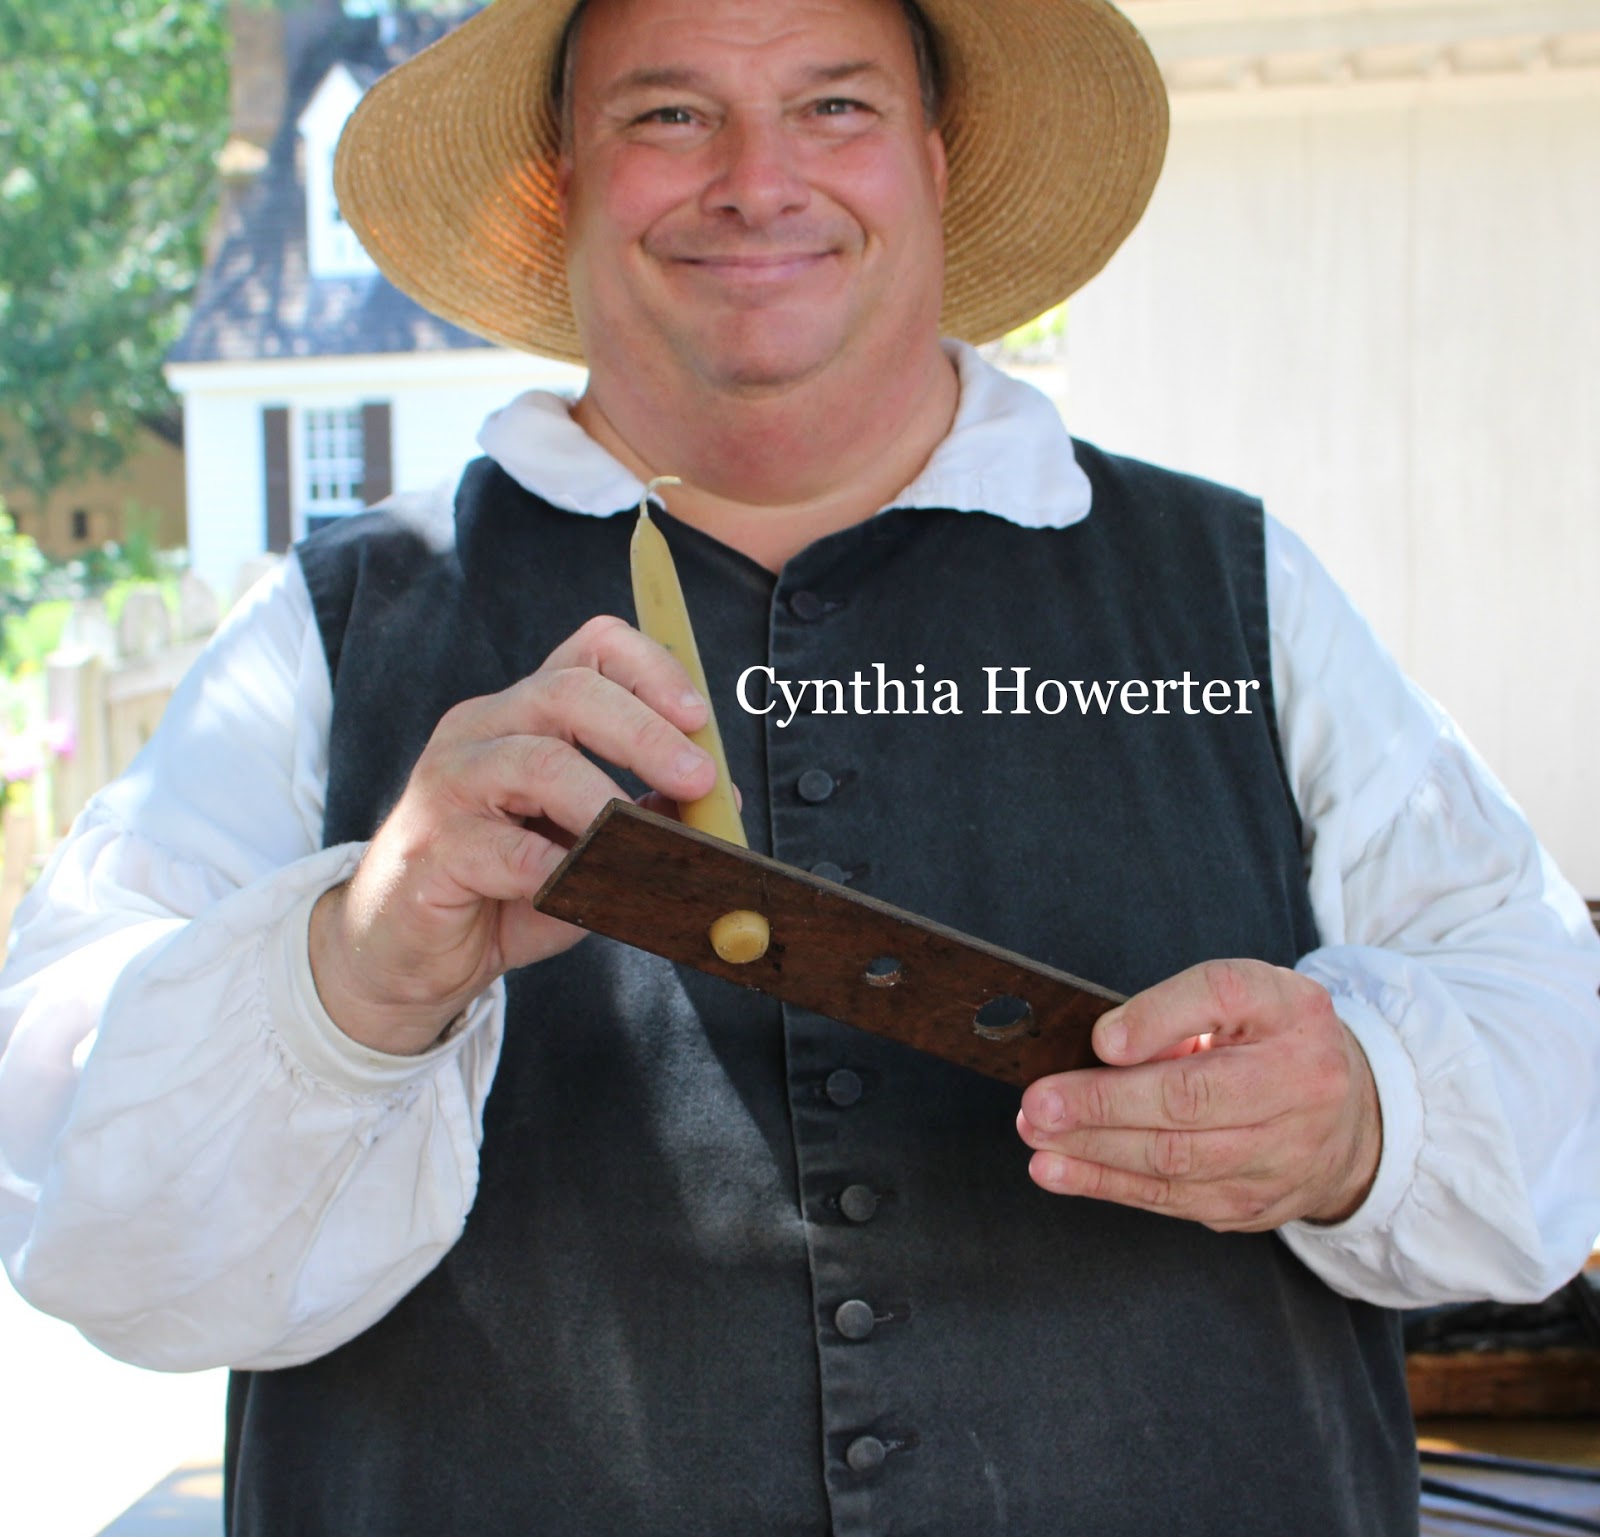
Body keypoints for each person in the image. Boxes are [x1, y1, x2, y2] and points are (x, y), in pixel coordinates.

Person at [2, 0, 1598, 1531]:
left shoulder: (1236, 589)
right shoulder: (330, 630)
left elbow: (1549, 1050)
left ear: (935, 162)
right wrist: (348, 972)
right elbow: (73, 1201)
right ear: (563, 176)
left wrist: (1361, 1112)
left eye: (834, 104)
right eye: (670, 113)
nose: (757, 180)